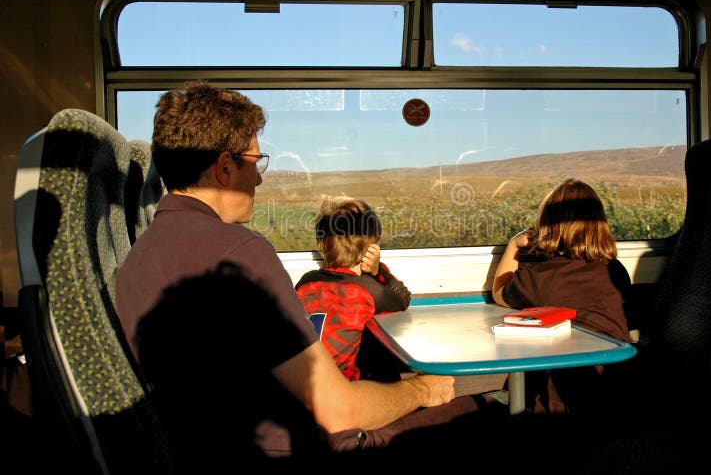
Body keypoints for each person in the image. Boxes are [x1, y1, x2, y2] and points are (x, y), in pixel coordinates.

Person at [115, 80, 502, 470]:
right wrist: (422, 389)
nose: (261, 178)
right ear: (225, 167)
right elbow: (338, 411)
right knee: (479, 409)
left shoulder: (138, 258)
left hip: (211, 453)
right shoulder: (237, 251)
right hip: (295, 454)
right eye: (257, 160)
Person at [492, 178, 633, 415]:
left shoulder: (542, 277)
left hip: (564, 399)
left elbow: (499, 292)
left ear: (547, 226)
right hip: (621, 387)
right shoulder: (615, 269)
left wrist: (513, 246)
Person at [295, 196, 411, 382]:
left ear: (323, 247)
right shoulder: (366, 289)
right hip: (344, 391)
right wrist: (377, 270)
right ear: (370, 250)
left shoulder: (306, 282)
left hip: (304, 383)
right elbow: (403, 298)